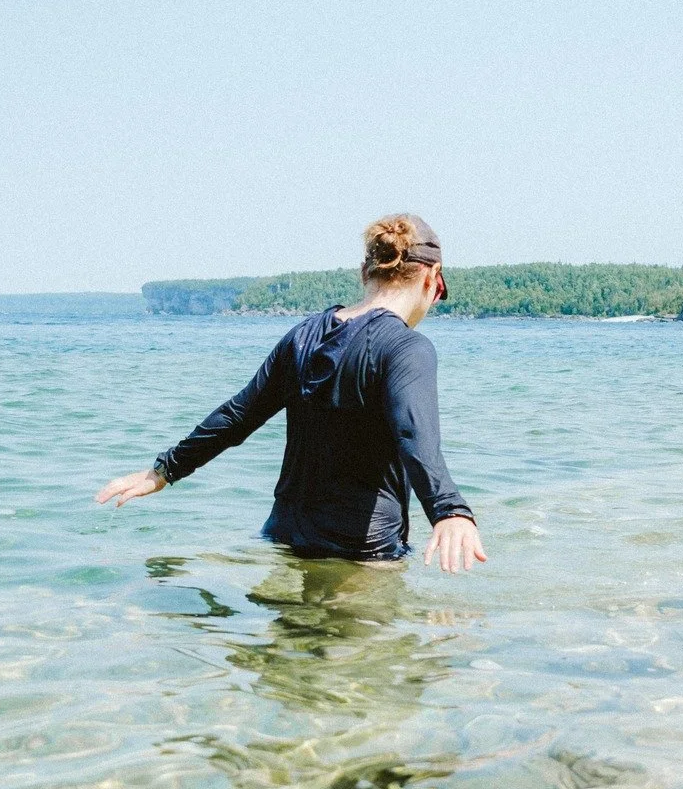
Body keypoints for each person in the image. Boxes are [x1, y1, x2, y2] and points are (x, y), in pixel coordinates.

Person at [96, 215, 487, 573]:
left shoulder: (303, 336)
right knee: (370, 651)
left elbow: (238, 416)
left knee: (282, 648)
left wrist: (164, 470)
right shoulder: (407, 347)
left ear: (363, 272)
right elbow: (412, 436)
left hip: (284, 538)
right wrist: (449, 510)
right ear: (431, 278)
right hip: (363, 555)